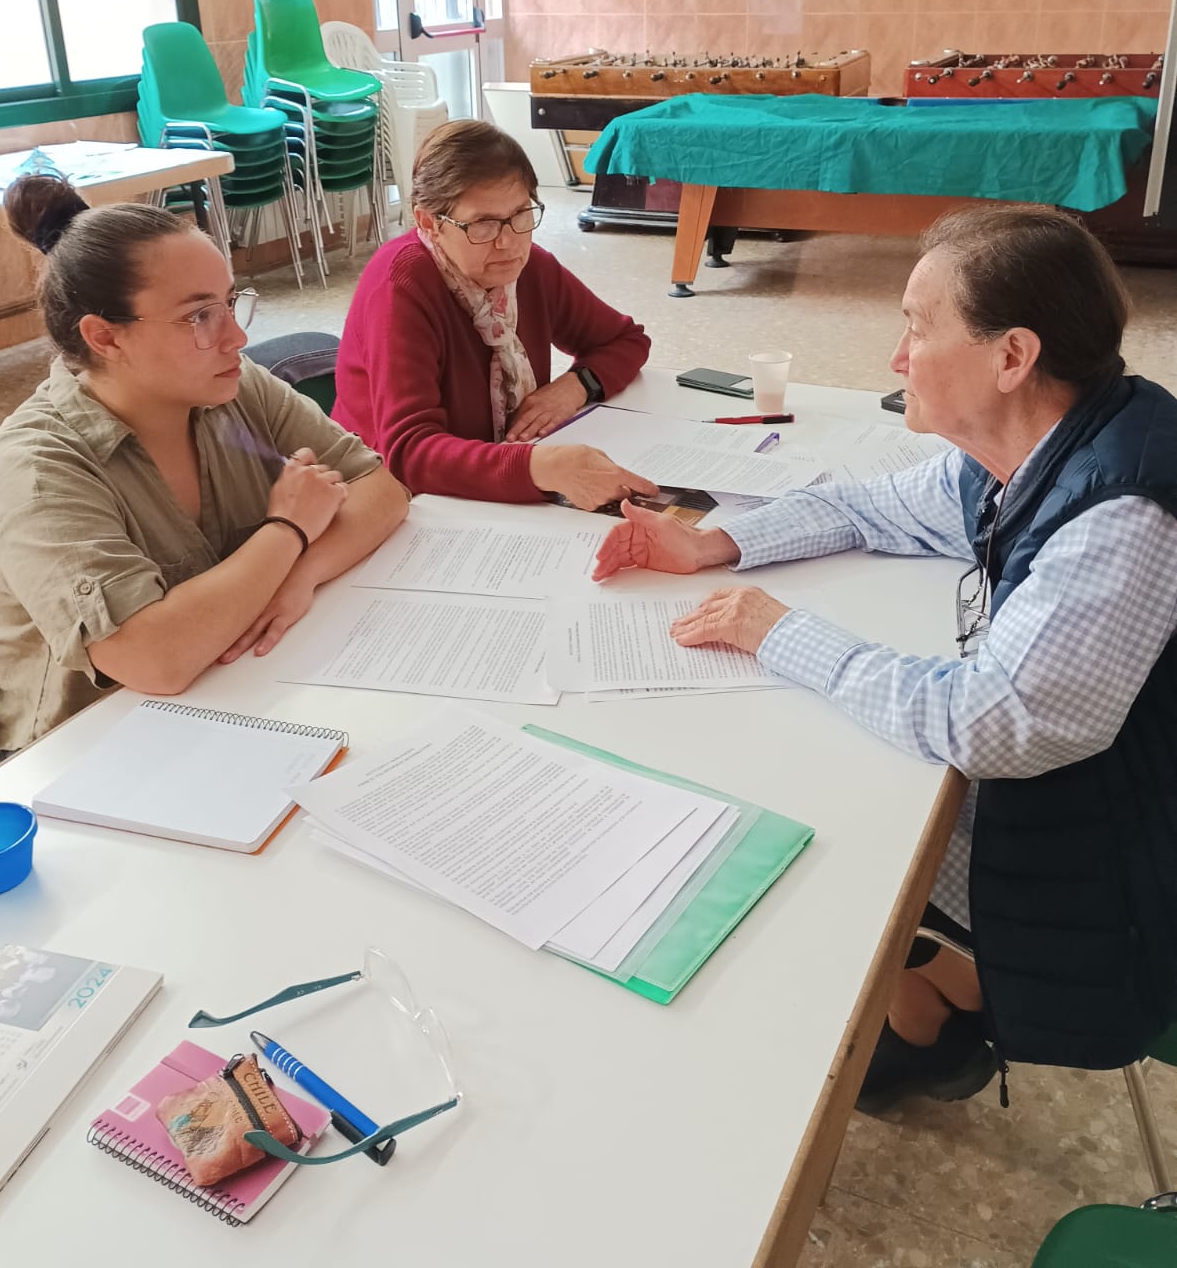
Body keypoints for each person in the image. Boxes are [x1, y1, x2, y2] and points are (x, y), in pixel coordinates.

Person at [592, 202, 1177, 1110]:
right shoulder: (1043, 439)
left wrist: (773, 628)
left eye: (916, 325)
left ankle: (913, 1016)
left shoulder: (1122, 516)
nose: (897, 358)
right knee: (820, 748)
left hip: (1111, 870)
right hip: (1068, 800)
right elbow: (873, 507)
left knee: (797, 806)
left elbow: (985, 727)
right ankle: (938, 994)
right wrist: (714, 545)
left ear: (1012, 357)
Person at [0, 177, 408, 766]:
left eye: (229, 302)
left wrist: (299, 574)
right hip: (74, 755)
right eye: (200, 316)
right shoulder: (35, 472)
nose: (238, 336)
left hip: (227, 686)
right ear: (105, 337)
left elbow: (381, 490)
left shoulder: (229, 386)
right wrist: (288, 530)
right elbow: (153, 659)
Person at [333, 120, 657, 508]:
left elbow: (625, 340)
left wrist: (576, 386)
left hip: (487, 478)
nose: (508, 242)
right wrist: (539, 466)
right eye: (483, 225)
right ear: (429, 223)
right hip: (385, 498)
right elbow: (408, 454)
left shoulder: (529, 266)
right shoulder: (400, 285)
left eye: (521, 214)